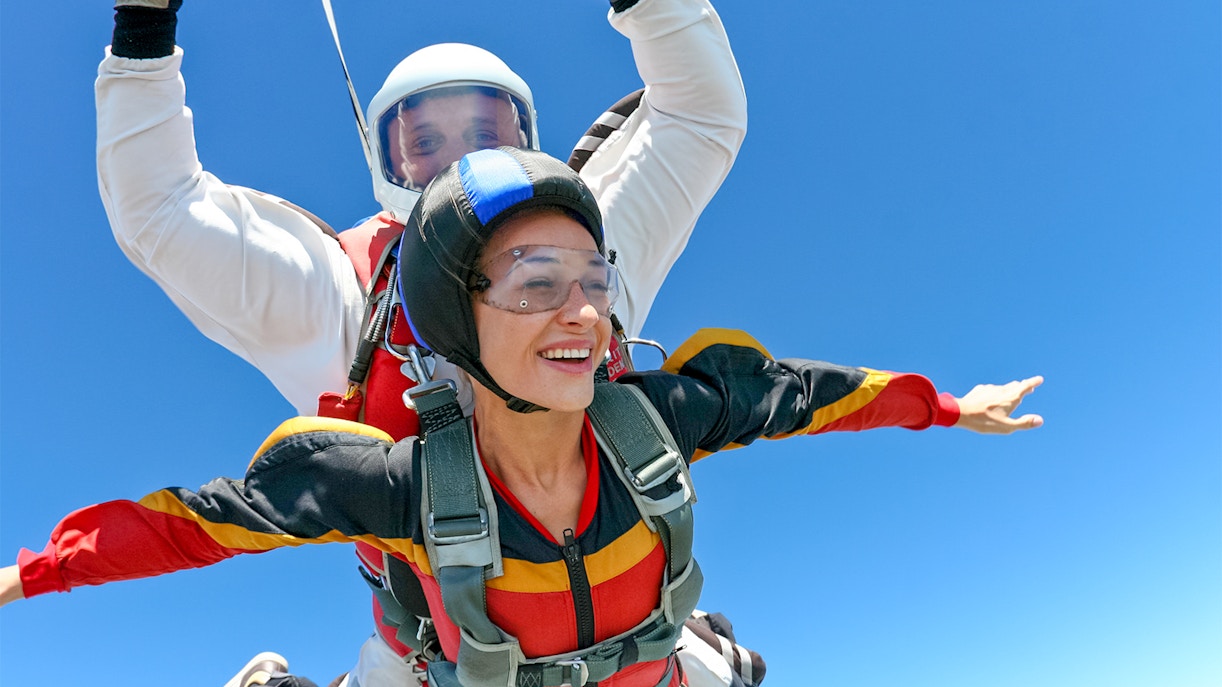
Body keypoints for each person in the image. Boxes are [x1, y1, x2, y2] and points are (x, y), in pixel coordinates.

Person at [1, 148, 1044, 687]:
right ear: (459, 317)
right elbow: (184, 526)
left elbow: (810, 398)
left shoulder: (662, 416)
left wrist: (949, 407)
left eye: (594, 278)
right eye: (537, 282)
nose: (585, 313)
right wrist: (22, 576)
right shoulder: (391, 484)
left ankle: (715, 653)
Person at [100, 1, 749, 683]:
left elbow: (699, 117)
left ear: (526, 139)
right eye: (425, 144)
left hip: (640, 645)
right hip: (431, 664)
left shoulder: (589, 246)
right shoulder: (341, 296)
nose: (459, 162)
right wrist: (144, 26)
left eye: (484, 131)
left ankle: (711, 646)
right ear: (386, 163)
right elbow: (162, 213)